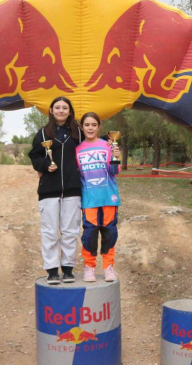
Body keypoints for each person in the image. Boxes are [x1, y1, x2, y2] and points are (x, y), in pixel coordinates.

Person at [28, 97, 83, 285]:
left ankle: (67, 269)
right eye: (57, 107)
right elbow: (35, 156)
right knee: (50, 232)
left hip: (73, 189)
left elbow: (88, 149)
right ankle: (52, 270)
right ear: (51, 110)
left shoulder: (78, 133)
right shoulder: (43, 133)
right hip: (48, 190)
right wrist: (45, 165)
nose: (61, 110)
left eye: (64, 108)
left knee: (70, 231)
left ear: (70, 111)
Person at [75, 112, 122, 282]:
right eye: (87, 125)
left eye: (94, 125)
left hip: (108, 197)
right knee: (89, 234)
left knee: (110, 233)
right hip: (89, 199)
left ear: (99, 127)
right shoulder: (77, 149)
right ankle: (89, 267)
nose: (90, 128)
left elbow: (114, 171)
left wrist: (116, 157)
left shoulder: (107, 146)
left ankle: (108, 267)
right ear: (82, 127)